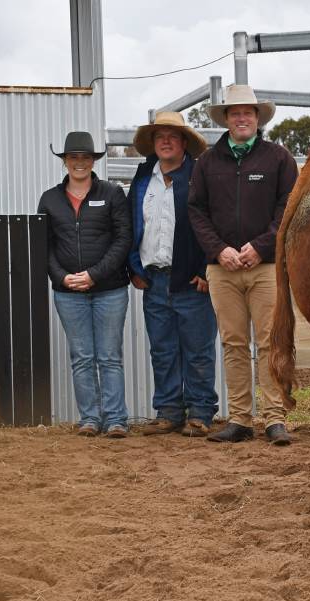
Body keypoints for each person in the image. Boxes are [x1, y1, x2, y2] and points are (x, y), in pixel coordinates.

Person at [188, 84, 298, 446]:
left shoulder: (278, 159)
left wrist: (261, 245)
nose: (241, 118)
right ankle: (239, 418)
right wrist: (219, 251)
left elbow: (287, 209)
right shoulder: (207, 162)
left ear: (257, 118)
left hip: (265, 267)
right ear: (225, 119)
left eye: (247, 112)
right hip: (222, 270)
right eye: (234, 113)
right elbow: (197, 211)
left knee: (269, 342)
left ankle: (274, 418)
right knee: (233, 343)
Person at [126, 112, 218, 437]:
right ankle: (168, 412)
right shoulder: (141, 181)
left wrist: (208, 269)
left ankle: (201, 413)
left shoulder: (198, 177)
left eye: (172, 135)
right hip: (154, 280)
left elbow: (212, 224)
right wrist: (134, 268)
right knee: (162, 349)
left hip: (192, 280)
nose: (165, 141)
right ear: (153, 143)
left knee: (198, 350)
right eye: (159, 136)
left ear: (184, 143)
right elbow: (131, 226)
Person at [39, 131, 133, 438]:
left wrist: (94, 274)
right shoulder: (49, 199)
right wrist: (61, 277)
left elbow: (123, 241)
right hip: (67, 293)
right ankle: (90, 419)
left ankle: (116, 420)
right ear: (65, 161)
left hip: (110, 289)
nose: (79, 163)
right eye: (73, 158)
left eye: (85, 158)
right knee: (81, 356)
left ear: (94, 161)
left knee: (109, 355)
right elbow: (44, 246)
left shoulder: (112, 193)